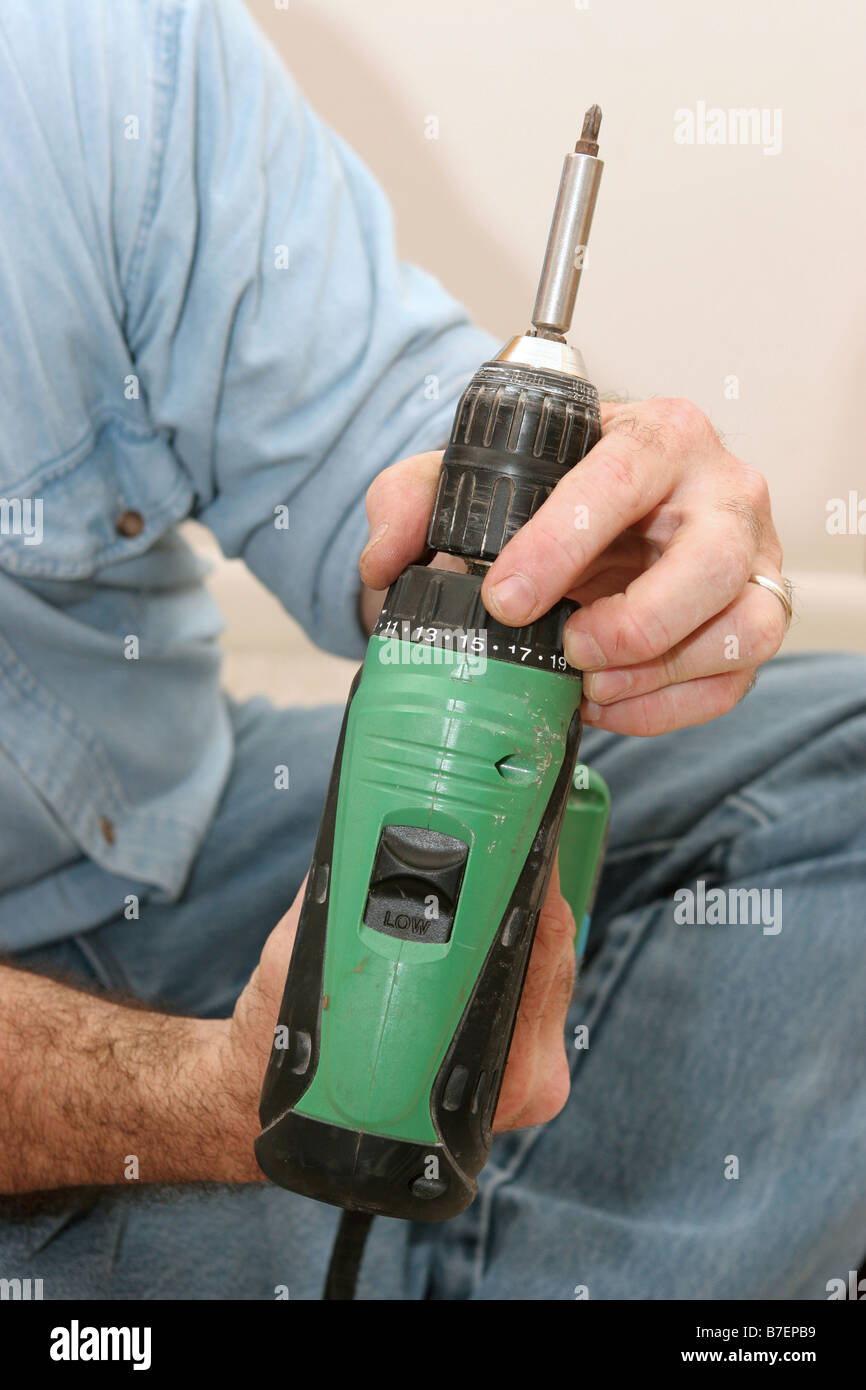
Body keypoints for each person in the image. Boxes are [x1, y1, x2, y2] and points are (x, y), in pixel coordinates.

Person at [0, 0, 863, 1301]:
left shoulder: (99, 51)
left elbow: (391, 459)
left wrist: (611, 540)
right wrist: (215, 1103)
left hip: (182, 830)